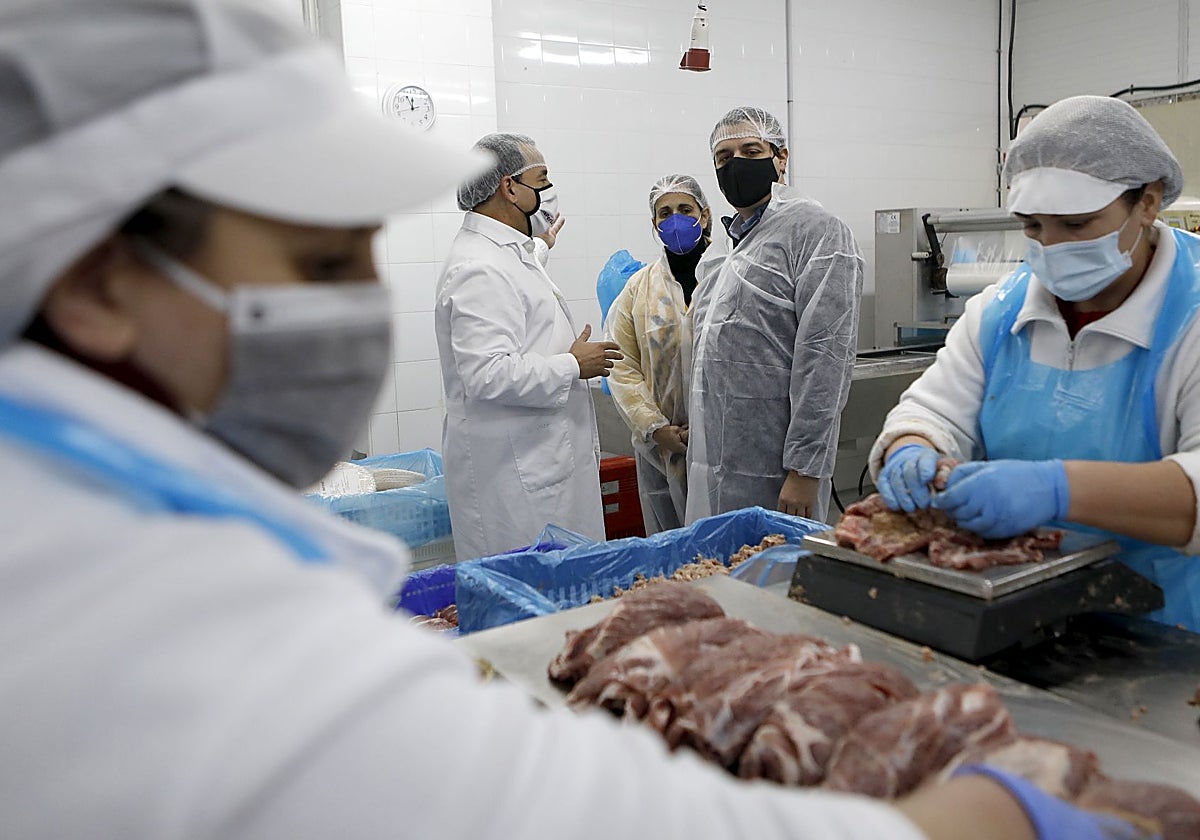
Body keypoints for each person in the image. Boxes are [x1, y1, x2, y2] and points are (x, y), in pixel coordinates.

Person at [0, 4, 1151, 839]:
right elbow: (549, 803)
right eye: (315, 258)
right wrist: (995, 810)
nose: (351, 302)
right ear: (100, 284)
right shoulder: (106, 615)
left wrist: (841, 460)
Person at [872, 94, 1200, 633]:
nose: (1052, 248)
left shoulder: (1190, 316)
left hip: (1169, 637)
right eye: (1033, 227)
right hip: (1019, 618)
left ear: (1148, 201)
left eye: (1077, 224)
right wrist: (914, 445)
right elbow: (934, 411)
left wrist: (1056, 489)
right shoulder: (1001, 312)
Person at [435, 134, 621, 560]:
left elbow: (518, 286)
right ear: (509, 187)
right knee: (533, 602)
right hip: (517, 482)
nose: (549, 192)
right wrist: (573, 365)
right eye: (543, 179)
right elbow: (487, 374)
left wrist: (539, 246)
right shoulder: (478, 268)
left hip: (537, 466)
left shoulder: (502, 253)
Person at [687, 107, 864, 525]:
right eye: (725, 158)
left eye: (751, 151)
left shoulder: (818, 231)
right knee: (715, 577)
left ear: (781, 157)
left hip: (777, 467)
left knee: (775, 578)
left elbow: (825, 359)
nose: (737, 165)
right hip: (711, 460)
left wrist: (805, 469)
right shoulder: (721, 253)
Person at [606, 174, 712, 533]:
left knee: (728, 546)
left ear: (705, 215)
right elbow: (621, 364)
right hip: (663, 451)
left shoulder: (728, 276)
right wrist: (656, 428)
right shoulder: (639, 289)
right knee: (673, 553)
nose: (675, 219)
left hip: (722, 444)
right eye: (665, 213)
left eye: (685, 209)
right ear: (654, 224)